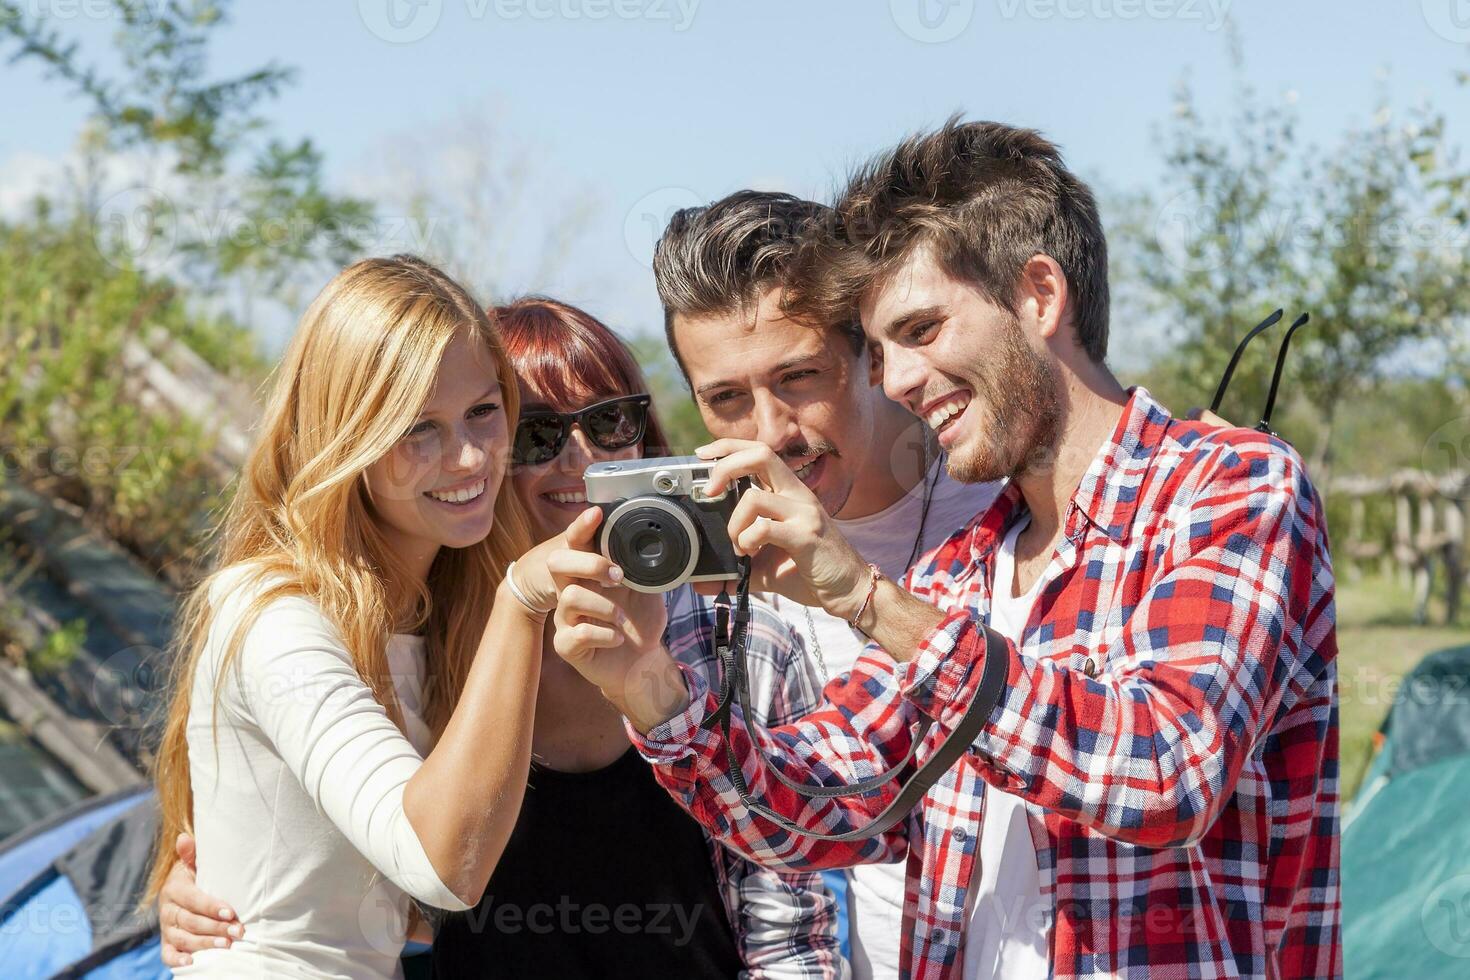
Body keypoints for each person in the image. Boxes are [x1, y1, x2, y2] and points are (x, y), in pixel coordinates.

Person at [550, 120, 1342, 980]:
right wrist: (653, 694)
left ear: (1040, 295)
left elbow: (1164, 772)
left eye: (922, 330)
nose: (896, 381)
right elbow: (827, 810)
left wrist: (866, 599)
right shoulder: (961, 569)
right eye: (883, 350)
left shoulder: (1227, 487)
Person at [157, 296, 847, 979]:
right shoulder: (428, 633)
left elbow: (790, 923)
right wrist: (223, 903)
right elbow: (389, 872)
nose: (580, 461)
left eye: (611, 421)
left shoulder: (736, 641)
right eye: (538, 435)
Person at [146, 255, 593, 977]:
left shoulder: (433, 610)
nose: (470, 456)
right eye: (419, 428)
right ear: (347, 439)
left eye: (483, 411)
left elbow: (409, 916)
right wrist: (521, 601)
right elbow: (444, 866)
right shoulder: (275, 617)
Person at [651, 190, 1002, 980]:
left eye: (800, 377)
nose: (772, 431)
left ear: (871, 357)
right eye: (727, 399)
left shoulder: (1002, 504)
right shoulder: (703, 568)